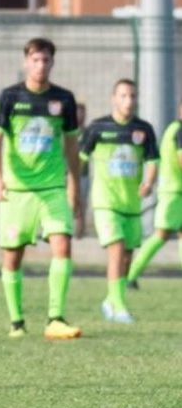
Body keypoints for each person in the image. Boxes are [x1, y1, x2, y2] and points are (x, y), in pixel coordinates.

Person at [0, 37, 82, 341]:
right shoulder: (9, 97)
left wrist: (75, 185)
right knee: (12, 256)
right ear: (26, 62)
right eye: (36, 60)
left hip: (53, 187)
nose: (41, 65)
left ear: (53, 62)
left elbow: (71, 146)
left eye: (46, 60)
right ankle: (17, 322)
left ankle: (56, 318)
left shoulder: (63, 99)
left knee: (63, 245)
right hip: (18, 190)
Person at [79, 79, 157, 323]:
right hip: (106, 202)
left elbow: (153, 161)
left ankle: (111, 301)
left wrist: (148, 182)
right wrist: (70, 185)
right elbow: (80, 158)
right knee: (117, 248)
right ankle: (120, 306)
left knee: (127, 256)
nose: (128, 101)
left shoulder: (144, 129)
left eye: (132, 96)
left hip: (131, 203)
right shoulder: (98, 128)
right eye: (123, 95)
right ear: (114, 98)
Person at [126, 98, 182, 287]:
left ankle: (131, 275)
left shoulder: (173, 128)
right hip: (175, 192)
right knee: (161, 235)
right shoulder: (179, 130)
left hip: (173, 190)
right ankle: (131, 275)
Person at [73, 102, 90, 239]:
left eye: (82, 112)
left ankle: (80, 232)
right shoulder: (69, 131)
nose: (80, 115)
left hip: (83, 174)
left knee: (82, 204)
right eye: (78, 112)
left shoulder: (88, 132)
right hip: (68, 174)